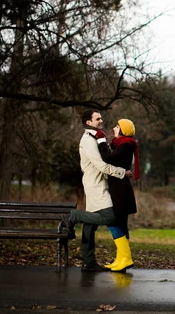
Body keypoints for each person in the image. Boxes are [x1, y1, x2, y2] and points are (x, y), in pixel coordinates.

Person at [62, 110, 132, 272]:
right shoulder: (88, 140)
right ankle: (73, 215)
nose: (101, 120)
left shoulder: (99, 137)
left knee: (90, 224)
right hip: (95, 184)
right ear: (88, 122)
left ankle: (88, 261)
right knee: (110, 216)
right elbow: (101, 165)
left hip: (101, 182)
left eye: (101, 118)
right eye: (97, 118)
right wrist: (122, 173)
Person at [98, 119, 139, 272]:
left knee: (113, 221)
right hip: (119, 188)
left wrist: (102, 142)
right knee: (121, 224)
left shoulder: (125, 145)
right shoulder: (121, 144)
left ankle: (126, 257)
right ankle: (121, 258)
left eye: (117, 126)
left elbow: (109, 159)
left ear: (123, 129)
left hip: (120, 191)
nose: (114, 128)